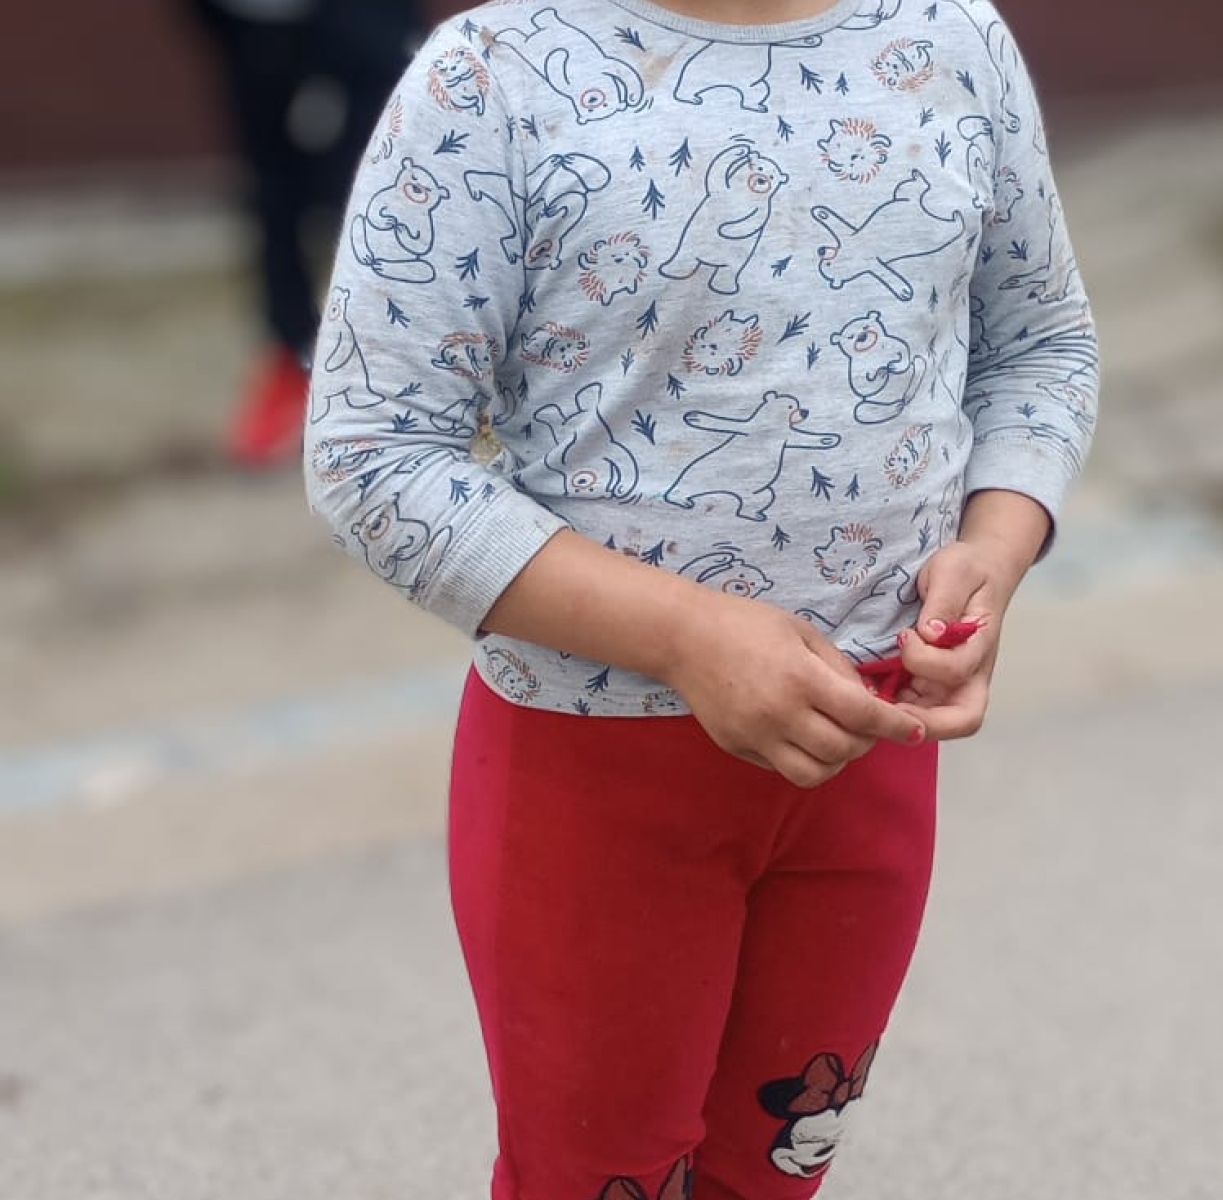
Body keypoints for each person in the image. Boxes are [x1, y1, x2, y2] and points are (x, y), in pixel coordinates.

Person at [303, 0, 1099, 1195]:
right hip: (590, 770)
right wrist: (684, 637)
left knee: (775, 1169)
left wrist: (999, 537)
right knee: (593, 1180)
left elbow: (1040, 347)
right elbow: (372, 458)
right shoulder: (495, 78)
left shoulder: (950, 37)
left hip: (869, 747)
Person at [188, 0, 422, 466]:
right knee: (272, 194)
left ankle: (399, 370)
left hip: (364, 21)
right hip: (253, 21)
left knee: (379, 180)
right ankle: (293, 358)